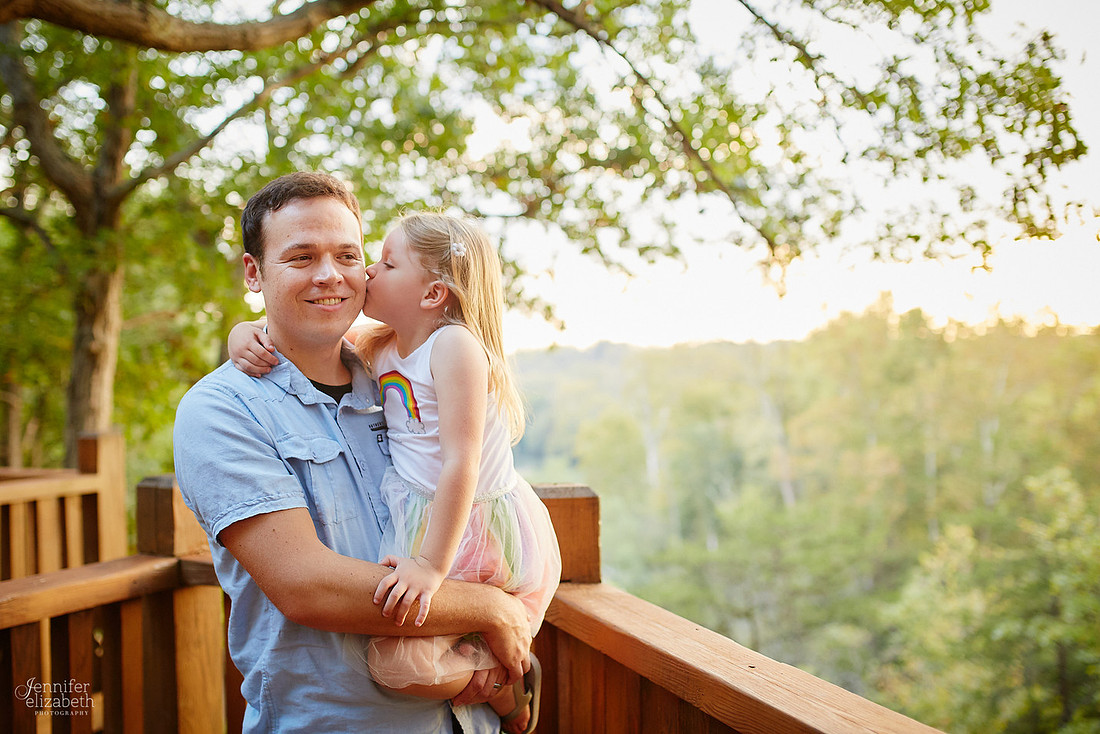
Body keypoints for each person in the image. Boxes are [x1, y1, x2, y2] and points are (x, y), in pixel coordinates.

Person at [174, 172, 535, 734]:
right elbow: (305, 585)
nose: (330, 275)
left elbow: (470, 482)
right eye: (300, 257)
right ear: (253, 272)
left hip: (467, 721)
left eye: (348, 255)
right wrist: (491, 610)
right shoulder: (222, 410)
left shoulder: (395, 371)